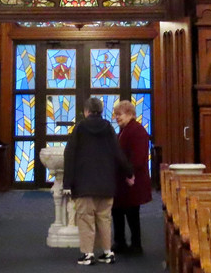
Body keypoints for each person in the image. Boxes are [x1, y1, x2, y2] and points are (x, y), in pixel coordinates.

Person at [64, 97, 134, 265]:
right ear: (101, 111)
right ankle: (108, 252)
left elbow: (70, 154)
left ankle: (88, 254)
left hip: (85, 184)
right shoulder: (108, 128)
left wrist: (68, 183)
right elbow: (118, 153)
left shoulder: (80, 127)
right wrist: (129, 172)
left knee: (85, 219)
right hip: (106, 184)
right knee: (104, 219)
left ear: (86, 111)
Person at [111, 100, 152, 255]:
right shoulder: (124, 130)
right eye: (115, 115)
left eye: (119, 114)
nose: (116, 118)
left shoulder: (137, 130)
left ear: (129, 114)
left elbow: (139, 158)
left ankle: (136, 245)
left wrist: (130, 173)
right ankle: (119, 242)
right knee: (117, 211)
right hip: (121, 180)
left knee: (132, 213)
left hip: (133, 180)